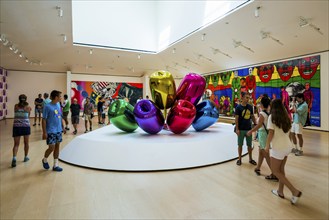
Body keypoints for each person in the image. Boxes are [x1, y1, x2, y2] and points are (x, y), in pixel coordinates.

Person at [265, 99, 302, 204]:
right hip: (287, 147)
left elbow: (270, 133)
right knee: (281, 170)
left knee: (275, 171)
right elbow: (289, 133)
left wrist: (267, 146)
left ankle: (294, 191)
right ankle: (280, 191)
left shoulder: (272, 117)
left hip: (278, 148)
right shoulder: (286, 117)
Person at [247, 96, 278, 180]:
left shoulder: (262, 114)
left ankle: (274, 173)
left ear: (262, 104)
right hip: (266, 134)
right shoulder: (268, 113)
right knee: (261, 151)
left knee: (265, 154)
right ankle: (258, 167)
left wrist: (251, 131)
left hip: (262, 134)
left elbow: (259, 125)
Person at [42, 90, 66, 172]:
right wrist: (44, 132)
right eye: (60, 96)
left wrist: (63, 126)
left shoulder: (58, 105)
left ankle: (55, 165)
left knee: (57, 147)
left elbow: (60, 116)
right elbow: (44, 120)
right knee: (51, 147)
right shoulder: (47, 106)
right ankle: (44, 159)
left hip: (59, 130)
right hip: (50, 130)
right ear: (56, 97)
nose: (61, 98)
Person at [234, 92, 257, 166]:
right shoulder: (238, 108)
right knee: (240, 145)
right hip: (241, 129)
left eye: (249, 98)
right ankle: (239, 159)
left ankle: (250, 158)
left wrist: (255, 124)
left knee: (249, 145)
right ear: (242, 98)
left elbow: (252, 116)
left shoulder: (250, 107)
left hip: (248, 129)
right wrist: (237, 129)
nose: (248, 99)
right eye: (246, 98)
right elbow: (236, 119)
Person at [11, 94, 32, 167]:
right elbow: (28, 116)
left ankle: (14, 158)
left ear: (19, 99)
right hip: (26, 126)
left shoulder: (15, 106)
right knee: (26, 143)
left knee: (16, 144)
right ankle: (26, 157)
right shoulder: (28, 107)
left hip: (16, 126)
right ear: (26, 99)